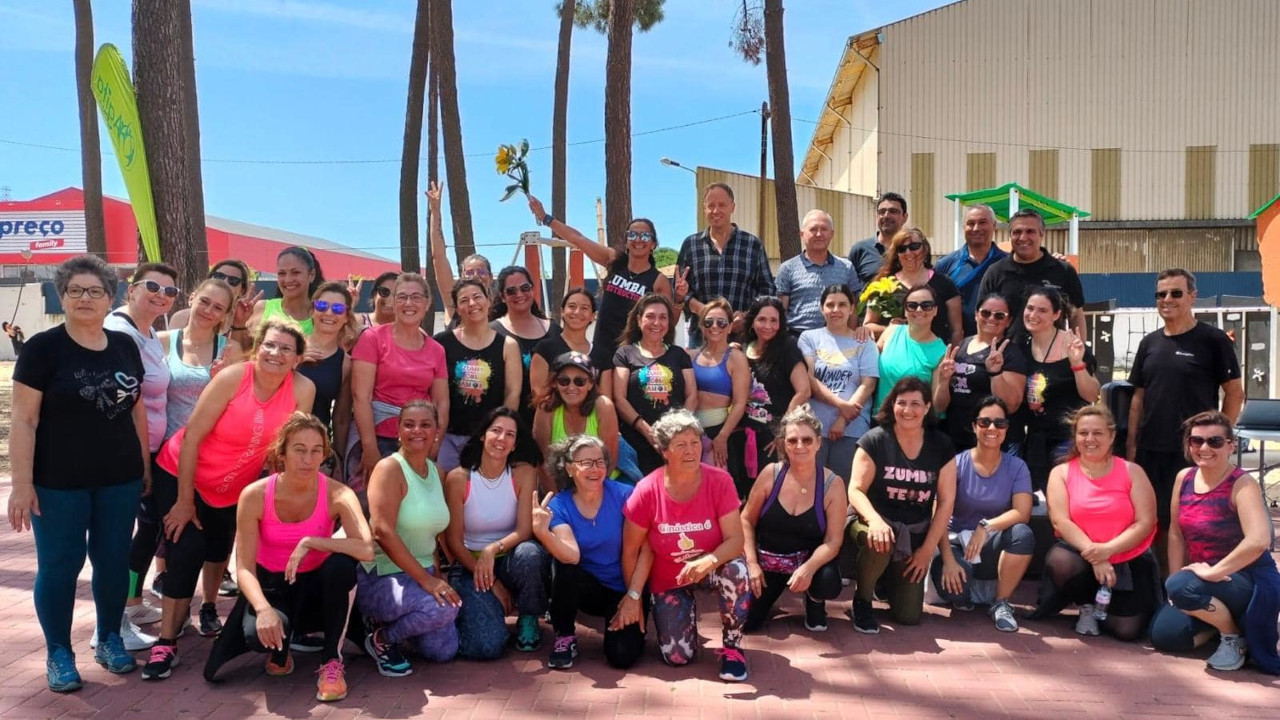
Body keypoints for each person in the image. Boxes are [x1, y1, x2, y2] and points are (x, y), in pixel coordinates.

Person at [142, 319, 316, 681]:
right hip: (181, 473)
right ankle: (167, 641)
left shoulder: (303, 388)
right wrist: (185, 501)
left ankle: (208, 608)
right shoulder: (234, 377)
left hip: (234, 486)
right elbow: (191, 438)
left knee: (220, 549)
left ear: (297, 358)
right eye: (269, 344)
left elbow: (285, 448)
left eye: (286, 348)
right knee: (186, 548)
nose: (275, 353)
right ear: (257, 347)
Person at [9, 255, 151, 692]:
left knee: (112, 561)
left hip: (119, 478)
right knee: (60, 565)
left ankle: (109, 637)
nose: (85, 298)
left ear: (111, 298)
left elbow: (136, 409)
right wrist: (21, 484)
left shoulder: (125, 345)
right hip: (57, 482)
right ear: (63, 296)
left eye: (95, 291)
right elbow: (23, 420)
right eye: (75, 290)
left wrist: (143, 467)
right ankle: (59, 653)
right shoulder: (42, 349)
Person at [202, 413, 372, 701]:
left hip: (318, 589)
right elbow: (243, 568)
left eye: (316, 450)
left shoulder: (338, 493)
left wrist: (313, 542)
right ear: (282, 453)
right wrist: (263, 609)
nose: (308, 459)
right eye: (299, 450)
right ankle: (280, 649)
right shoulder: (254, 495)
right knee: (258, 637)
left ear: (324, 455)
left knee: (341, 565)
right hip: (273, 588)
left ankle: (332, 661)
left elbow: (367, 549)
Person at [127, 279, 243, 637]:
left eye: (218, 307)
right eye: (204, 302)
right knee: (166, 534)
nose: (208, 311)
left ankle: (208, 605)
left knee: (217, 538)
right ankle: (142, 605)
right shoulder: (163, 343)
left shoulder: (230, 350)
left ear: (225, 315)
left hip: (215, 460)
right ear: (192, 300)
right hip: (168, 456)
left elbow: (237, 404)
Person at [622, 409, 752, 682]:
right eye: (680, 444)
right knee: (677, 658)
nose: (690, 450)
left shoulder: (720, 480)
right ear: (664, 451)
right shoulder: (646, 490)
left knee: (737, 571)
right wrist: (635, 597)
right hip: (669, 576)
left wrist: (708, 561)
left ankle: (732, 646)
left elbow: (736, 540)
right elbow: (632, 550)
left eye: (695, 442)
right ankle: (684, 618)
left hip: (713, 565)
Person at [1149, 412, 1280, 673]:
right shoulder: (1184, 478)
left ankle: (1232, 638)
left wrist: (1214, 572)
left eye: (1215, 442)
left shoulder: (1242, 483)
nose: (1204, 448)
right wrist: (1175, 582)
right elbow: (1175, 532)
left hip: (1245, 577)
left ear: (1231, 445)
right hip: (1203, 579)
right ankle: (1229, 627)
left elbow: (1258, 540)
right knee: (1164, 635)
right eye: (1196, 441)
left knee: (1184, 589)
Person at [1127, 269, 1244, 540]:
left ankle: (1191, 579)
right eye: (1161, 294)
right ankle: (1158, 581)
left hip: (1194, 451)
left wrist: (1219, 441)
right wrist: (1132, 446)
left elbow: (1235, 394)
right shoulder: (1149, 343)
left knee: (1194, 523)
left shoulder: (1214, 341)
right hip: (1152, 450)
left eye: (1175, 293)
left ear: (1192, 297)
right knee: (1151, 522)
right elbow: (1138, 399)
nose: (1167, 299)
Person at [1030, 406, 1160, 641]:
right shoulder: (1061, 472)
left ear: (1111, 437)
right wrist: (1097, 556)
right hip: (1080, 553)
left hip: (1127, 556)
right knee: (1061, 561)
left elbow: (1146, 522)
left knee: (1126, 631)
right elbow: (1060, 520)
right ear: (1075, 437)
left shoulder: (1133, 471)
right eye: (1083, 433)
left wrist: (1108, 551)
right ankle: (1086, 605)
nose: (1090, 439)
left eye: (1098, 433)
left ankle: (1110, 607)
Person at [357, 400, 462, 676]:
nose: (418, 431)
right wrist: (427, 581)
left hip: (423, 572)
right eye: (409, 424)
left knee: (444, 651)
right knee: (442, 610)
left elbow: (434, 535)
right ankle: (381, 639)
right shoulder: (389, 468)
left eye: (426, 424)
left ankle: (403, 625)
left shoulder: (438, 472)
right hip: (383, 576)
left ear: (437, 431)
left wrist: (436, 575)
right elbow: (382, 532)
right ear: (398, 431)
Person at [104, 262, 178, 647]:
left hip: (149, 450)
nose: (161, 295)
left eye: (170, 292)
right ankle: (112, 624)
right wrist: (140, 461)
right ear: (130, 289)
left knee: (148, 530)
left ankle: (130, 604)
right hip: (127, 454)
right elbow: (121, 398)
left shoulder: (147, 332)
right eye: (152, 286)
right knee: (117, 537)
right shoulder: (119, 332)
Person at [847, 378, 957, 633]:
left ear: (928, 407)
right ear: (892, 404)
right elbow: (855, 489)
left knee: (908, 616)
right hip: (872, 525)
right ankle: (862, 599)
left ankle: (885, 581)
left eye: (916, 404)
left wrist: (927, 550)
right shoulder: (874, 439)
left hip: (914, 534)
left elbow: (946, 500)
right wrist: (874, 520)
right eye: (902, 403)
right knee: (880, 541)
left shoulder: (941, 444)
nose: (908, 410)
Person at [528, 194, 671, 389]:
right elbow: (578, 239)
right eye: (633, 235)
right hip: (601, 349)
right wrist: (546, 218)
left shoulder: (658, 280)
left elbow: (668, 321)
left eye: (645, 236)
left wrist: (679, 299)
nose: (639, 240)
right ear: (627, 240)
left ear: (653, 244)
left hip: (632, 355)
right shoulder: (613, 260)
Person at [534, 436, 649, 670]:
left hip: (627, 587)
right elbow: (572, 555)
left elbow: (648, 548)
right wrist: (542, 532)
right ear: (569, 467)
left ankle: (636, 618)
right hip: (590, 589)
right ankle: (564, 636)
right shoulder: (560, 505)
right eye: (586, 463)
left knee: (621, 656)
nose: (595, 469)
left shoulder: (627, 494)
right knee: (563, 564)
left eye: (600, 462)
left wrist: (634, 596)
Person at [443, 408, 549, 659]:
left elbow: (524, 530)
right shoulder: (459, 478)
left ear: (514, 444)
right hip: (471, 565)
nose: (502, 439)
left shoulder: (523, 473)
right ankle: (467, 619)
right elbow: (454, 542)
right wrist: (493, 584)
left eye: (509, 434)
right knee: (487, 647)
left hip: (510, 558)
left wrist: (492, 549)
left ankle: (528, 617)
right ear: (482, 435)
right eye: (496, 431)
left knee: (531, 553)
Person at [930, 397, 1034, 632]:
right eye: (985, 422)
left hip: (992, 546)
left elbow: (1022, 512)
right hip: (957, 546)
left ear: (1007, 428)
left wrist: (985, 526)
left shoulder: (1017, 467)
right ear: (974, 426)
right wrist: (947, 559)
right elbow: (938, 515)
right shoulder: (955, 464)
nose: (992, 429)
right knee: (952, 587)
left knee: (1022, 533)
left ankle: (1001, 603)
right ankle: (966, 597)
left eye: (1000, 423)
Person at [741, 405, 847, 634]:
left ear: (819, 443)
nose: (800, 446)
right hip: (768, 561)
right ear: (784, 444)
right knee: (746, 623)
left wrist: (809, 569)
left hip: (807, 563)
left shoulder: (833, 484)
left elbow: (833, 541)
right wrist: (751, 564)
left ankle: (814, 599)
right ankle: (769, 597)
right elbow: (746, 520)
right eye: (792, 441)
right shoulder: (770, 474)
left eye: (807, 440)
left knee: (828, 581)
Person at [350, 273, 451, 489]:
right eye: (402, 297)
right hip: (377, 436)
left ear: (427, 302)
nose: (408, 303)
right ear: (393, 302)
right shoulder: (372, 338)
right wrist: (370, 448)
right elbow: (361, 397)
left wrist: (434, 444)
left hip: (419, 440)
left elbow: (441, 403)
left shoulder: (437, 350)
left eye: (415, 297)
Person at [433, 279, 522, 473]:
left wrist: (498, 434)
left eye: (477, 297)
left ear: (488, 300)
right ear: (457, 308)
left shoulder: (508, 345)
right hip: (449, 437)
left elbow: (512, 394)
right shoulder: (442, 342)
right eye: (464, 300)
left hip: (488, 441)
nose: (472, 304)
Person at [1019, 287, 1100, 491]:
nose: (1033, 315)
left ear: (1056, 314)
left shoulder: (1072, 346)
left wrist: (1077, 364)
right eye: (1030, 308)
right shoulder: (1021, 347)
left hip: (1066, 441)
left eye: (1042, 310)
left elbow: (1092, 394)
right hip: (1035, 441)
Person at [675, 183, 775, 345]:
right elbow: (680, 290)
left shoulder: (752, 245)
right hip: (701, 337)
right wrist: (704, 312)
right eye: (711, 206)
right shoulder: (691, 245)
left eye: (722, 205)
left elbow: (768, 289)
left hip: (742, 336)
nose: (716, 211)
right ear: (704, 209)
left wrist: (748, 316)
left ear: (732, 207)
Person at [612, 294, 698, 476]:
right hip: (636, 441)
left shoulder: (679, 354)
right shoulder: (625, 353)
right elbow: (619, 398)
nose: (656, 322)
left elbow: (692, 396)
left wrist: (678, 430)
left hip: (674, 442)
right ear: (638, 319)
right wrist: (647, 431)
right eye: (650, 316)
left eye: (663, 317)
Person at [800, 285, 879, 477]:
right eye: (830, 305)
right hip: (813, 428)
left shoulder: (864, 341)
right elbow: (809, 379)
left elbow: (868, 384)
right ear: (822, 308)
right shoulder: (809, 338)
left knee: (842, 492)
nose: (836, 310)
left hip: (852, 429)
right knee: (811, 488)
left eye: (842, 305)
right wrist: (841, 405)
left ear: (852, 309)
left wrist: (843, 419)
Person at [932, 293, 1026, 452]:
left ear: (1008, 321)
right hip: (955, 440)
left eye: (999, 315)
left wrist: (995, 374)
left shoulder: (1011, 353)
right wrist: (943, 380)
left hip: (993, 443)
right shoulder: (959, 346)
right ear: (976, 314)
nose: (991, 318)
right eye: (985, 313)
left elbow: (1011, 406)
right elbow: (939, 406)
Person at [977, 209, 1086, 334]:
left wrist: (1081, 350)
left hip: (1052, 352)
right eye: (1017, 232)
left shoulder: (1063, 271)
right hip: (1006, 352)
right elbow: (982, 318)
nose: (1023, 237)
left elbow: (1076, 315)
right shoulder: (995, 273)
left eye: (1030, 231)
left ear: (1041, 234)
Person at [740, 296, 810, 471]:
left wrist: (783, 431)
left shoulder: (788, 347)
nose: (768, 326)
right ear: (752, 320)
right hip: (743, 433)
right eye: (762, 319)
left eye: (774, 320)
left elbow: (804, 391)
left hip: (774, 437)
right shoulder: (742, 348)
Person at [532, 351, 619, 489]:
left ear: (590, 384)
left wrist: (589, 497)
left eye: (579, 381)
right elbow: (543, 463)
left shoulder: (603, 406)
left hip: (599, 483)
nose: (571, 387)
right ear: (555, 383)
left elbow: (609, 460)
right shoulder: (546, 408)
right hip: (559, 486)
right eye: (564, 381)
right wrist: (558, 502)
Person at [862, 228, 963, 346]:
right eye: (902, 249)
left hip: (935, 357)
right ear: (896, 254)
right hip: (893, 356)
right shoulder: (881, 285)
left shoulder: (945, 283)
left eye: (914, 246)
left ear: (925, 249)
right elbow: (867, 327)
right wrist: (890, 329)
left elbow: (957, 330)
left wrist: (952, 358)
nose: (908, 252)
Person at [689, 299, 750, 493]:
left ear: (731, 326)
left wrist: (723, 436)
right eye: (709, 322)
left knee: (716, 492)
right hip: (691, 433)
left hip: (719, 433)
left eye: (721, 322)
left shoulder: (736, 358)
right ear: (701, 326)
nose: (715, 327)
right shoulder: (690, 356)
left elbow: (740, 402)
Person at [490, 266, 559, 428]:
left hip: (550, 422)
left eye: (525, 288)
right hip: (506, 425)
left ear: (532, 289)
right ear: (502, 296)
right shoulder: (492, 333)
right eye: (511, 291)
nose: (519, 294)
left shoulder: (554, 330)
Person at [775, 209, 861, 334]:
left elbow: (853, 309)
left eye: (824, 229)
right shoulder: (788, 268)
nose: (819, 234)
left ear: (832, 234)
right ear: (802, 234)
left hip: (837, 339)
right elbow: (781, 310)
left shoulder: (847, 267)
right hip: (798, 339)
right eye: (813, 229)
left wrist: (850, 338)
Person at [299, 282, 355, 466]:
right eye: (322, 306)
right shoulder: (290, 346)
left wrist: (338, 460)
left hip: (314, 449)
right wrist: (293, 361)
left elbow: (341, 418)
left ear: (346, 317)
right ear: (313, 310)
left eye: (338, 309)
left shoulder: (345, 363)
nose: (329, 313)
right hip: (275, 439)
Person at [427, 182, 496, 325]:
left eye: (481, 271)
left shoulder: (502, 310)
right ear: (462, 277)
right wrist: (435, 212)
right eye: (470, 272)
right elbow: (438, 258)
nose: (476, 275)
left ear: (490, 276)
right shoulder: (453, 302)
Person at [934, 204, 1008, 337]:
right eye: (970, 223)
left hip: (1001, 344)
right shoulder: (945, 265)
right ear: (964, 228)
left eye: (983, 222)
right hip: (958, 344)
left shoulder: (1008, 263)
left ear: (995, 225)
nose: (976, 228)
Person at [874, 284, 947, 412]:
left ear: (935, 310)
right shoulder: (891, 332)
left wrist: (944, 381)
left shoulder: (941, 351)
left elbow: (938, 407)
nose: (919, 310)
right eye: (912, 305)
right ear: (905, 310)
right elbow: (867, 367)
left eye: (926, 306)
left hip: (914, 423)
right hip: (882, 420)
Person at [529, 288, 596, 404]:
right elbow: (538, 394)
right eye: (572, 306)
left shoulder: (601, 353)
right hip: (553, 418)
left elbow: (605, 399)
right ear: (562, 311)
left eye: (584, 308)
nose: (577, 312)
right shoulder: (544, 348)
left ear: (593, 316)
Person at [169, 258, 261, 338]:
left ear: (242, 290)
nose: (224, 281)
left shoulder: (248, 320)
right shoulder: (183, 317)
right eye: (219, 276)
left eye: (233, 280)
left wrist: (239, 325)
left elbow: (244, 354)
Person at [247, 247, 325, 335]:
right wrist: (238, 324)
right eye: (282, 273)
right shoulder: (262, 308)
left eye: (295, 272)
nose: (288, 280)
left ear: (311, 275)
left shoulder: (323, 316)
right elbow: (242, 347)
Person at [848, 192, 909, 285]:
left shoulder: (912, 249)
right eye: (882, 211)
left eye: (893, 211)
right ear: (876, 216)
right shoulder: (860, 250)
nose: (886, 216)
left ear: (905, 217)